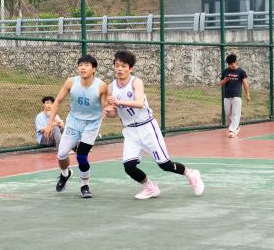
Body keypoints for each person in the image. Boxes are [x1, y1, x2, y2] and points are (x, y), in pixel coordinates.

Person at [106, 50, 204, 200]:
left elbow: (139, 103)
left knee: (165, 165)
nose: (119, 69)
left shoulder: (136, 82)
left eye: (123, 66)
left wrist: (119, 102)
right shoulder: (111, 87)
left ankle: (191, 174)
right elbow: (114, 113)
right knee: (129, 167)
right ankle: (150, 187)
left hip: (147, 127)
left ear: (130, 68)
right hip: (130, 131)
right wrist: (107, 111)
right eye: (117, 65)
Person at [43, 55, 108, 199]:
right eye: (81, 65)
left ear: (94, 69)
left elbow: (106, 108)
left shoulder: (101, 86)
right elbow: (58, 101)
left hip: (91, 124)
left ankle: (84, 185)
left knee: (81, 156)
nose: (83, 68)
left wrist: (109, 110)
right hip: (73, 122)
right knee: (61, 154)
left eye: (86, 65)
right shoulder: (71, 82)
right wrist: (49, 123)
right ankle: (65, 174)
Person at [219, 53, 250, 138]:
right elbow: (221, 84)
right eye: (229, 64)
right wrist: (225, 80)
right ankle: (236, 127)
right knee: (228, 114)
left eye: (232, 63)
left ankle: (232, 130)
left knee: (236, 113)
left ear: (236, 62)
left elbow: (245, 83)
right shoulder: (225, 71)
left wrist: (247, 95)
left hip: (237, 95)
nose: (231, 66)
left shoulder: (241, 72)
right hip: (227, 95)